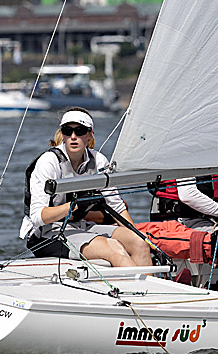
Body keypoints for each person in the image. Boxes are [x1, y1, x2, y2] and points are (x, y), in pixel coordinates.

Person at [21, 108, 151, 267]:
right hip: (46, 234)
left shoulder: (99, 161)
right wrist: (73, 206)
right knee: (115, 249)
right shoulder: (49, 162)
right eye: (68, 131)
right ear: (62, 134)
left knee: (139, 243)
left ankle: (152, 289)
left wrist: (135, 233)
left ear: (90, 135)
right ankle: (137, 291)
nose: (73, 137)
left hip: (80, 227)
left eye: (80, 131)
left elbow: (116, 207)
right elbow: (37, 217)